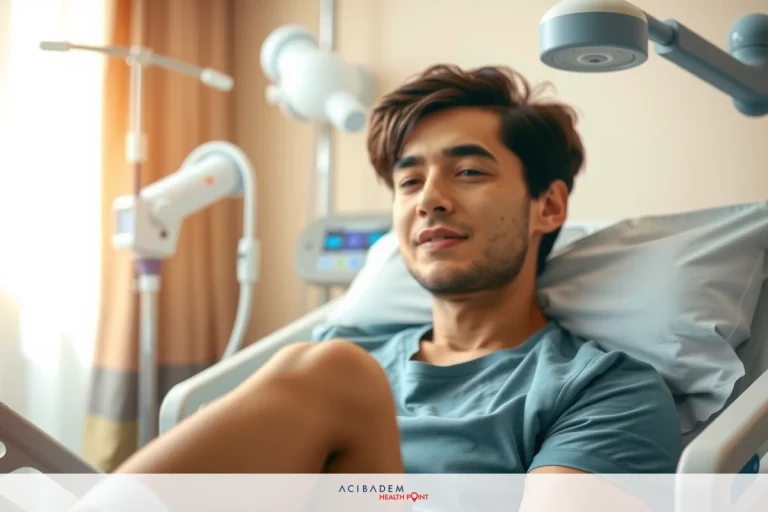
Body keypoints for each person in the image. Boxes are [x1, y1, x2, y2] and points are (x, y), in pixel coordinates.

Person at [112, 65, 682, 484]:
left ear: (548, 207)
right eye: (409, 182)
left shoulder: (600, 391)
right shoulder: (342, 350)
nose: (429, 200)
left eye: (467, 171)